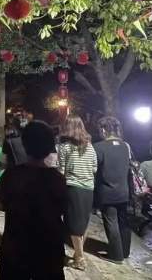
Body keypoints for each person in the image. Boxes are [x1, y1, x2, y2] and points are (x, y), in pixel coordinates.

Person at [0, 121, 67, 280]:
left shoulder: (12, 175)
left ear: (24, 145)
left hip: (16, 248)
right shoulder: (58, 179)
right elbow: (65, 209)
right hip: (49, 248)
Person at [57, 115, 97, 270]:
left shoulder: (65, 146)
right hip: (88, 188)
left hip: (73, 187)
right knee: (83, 223)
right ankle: (76, 256)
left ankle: (80, 258)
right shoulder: (89, 146)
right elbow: (94, 168)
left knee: (74, 225)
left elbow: (61, 170)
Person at [93, 116, 132, 264]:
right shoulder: (125, 146)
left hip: (107, 191)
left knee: (111, 221)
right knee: (123, 221)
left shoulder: (99, 147)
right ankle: (125, 251)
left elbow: (95, 169)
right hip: (124, 190)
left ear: (104, 130)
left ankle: (116, 255)